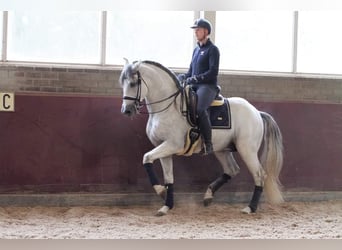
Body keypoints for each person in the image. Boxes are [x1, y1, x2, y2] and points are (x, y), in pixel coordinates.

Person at [178, 18, 220, 155]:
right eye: (195, 30)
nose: (195, 32)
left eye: (198, 29)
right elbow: (191, 71)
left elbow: (213, 72)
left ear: (206, 32)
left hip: (207, 86)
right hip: (195, 85)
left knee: (200, 109)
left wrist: (196, 78)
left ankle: (208, 143)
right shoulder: (196, 50)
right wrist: (184, 76)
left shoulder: (213, 50)